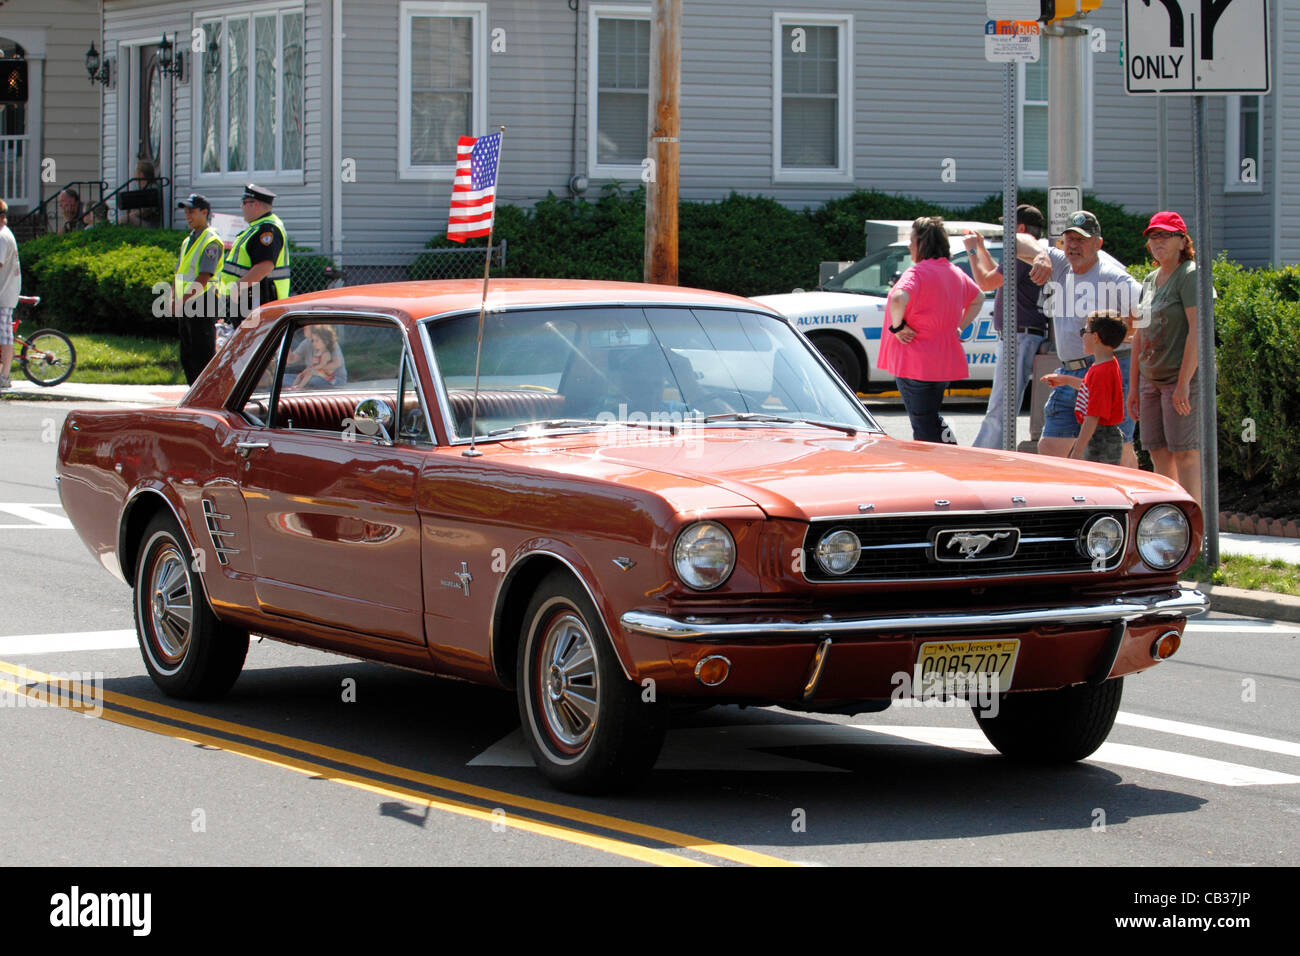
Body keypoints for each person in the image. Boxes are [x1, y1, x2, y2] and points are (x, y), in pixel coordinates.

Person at [1016, 209, 1143, 468]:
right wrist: (1040, 255)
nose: (1074, 245)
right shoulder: (1059, 263)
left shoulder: (1114, 277)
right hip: (1069, 369)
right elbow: (1016, 240)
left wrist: (1114, 336)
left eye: (1082, 240)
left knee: (1117, 447)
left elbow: (1145, 315)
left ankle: (1132, 493)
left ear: (1098, 243)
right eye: (1070, 239)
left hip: (1107, 369)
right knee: (1050, 447)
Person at [878, 216, 984, 443]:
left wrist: (898, 327)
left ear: (922, 244)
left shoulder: (916, 273)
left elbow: (897, 298)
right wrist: (959, 326)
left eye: (912, 241)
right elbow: (979, 298)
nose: (909, 246)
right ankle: (947, 452)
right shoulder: (954, 272)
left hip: (914, 360)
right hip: (942, 360)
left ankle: (941, 458)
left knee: (923, 423)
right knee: (929, 417)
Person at [1129, 210, 1204, 512]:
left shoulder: (1190, 274)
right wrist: (1133, 388)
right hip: (1150, 380)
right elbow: (1138, 335)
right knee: (1158, 453)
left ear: (1182, 241)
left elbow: (1197, 330)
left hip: (1179, 379)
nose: (1157, 242)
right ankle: (1172, 521)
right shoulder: (1150, 279)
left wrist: (1183, 383)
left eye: (1165, 236)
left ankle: (1194, 525)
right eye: (1153, 236)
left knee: (1185, 452)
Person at [964, 203, 1052, 449]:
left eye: (1009, 226)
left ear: (1020, 228)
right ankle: (991, 451)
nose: (1006, 231)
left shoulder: (1023, 256)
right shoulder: (1031, 256)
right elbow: (997, 274)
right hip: (1023, 333)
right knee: (1004, 401)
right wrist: (982, 249)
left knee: (1001, 404)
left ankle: (984, 454)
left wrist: (972, 251)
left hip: (1019, 334)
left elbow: (986, 282)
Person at [1041, 311, 1128, 464]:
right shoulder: (1106, 364)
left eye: (1084, 331)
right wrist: (1067, 380)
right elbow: (1092, 388)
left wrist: (1078, 450)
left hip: (1100, 438)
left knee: (1097, 476)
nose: (1081, 336)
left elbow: (1092, 417)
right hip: (1102, 435)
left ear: (1096, 337)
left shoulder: (1102, 371)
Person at [173, 193, 226, 384]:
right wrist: (173, 298)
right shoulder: (188, 241)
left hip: (203, 302)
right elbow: (179, 272)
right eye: (186, 212)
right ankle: (193, 392)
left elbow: (204, 277)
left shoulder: (211, 240)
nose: (188, 216)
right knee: (187, 354)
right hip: (186, 303)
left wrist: (181, 300)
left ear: (204, 212)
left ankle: (206, 394)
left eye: (192, 211)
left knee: (202, 355)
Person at [220, 184, 290, 324]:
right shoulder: (258, 227)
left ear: (255, 204)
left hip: (258, 298)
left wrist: (237, 287)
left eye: (244, 203)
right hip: (250, 297)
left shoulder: (267, 229)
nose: (241, 207)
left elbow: (265, 266)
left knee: (252, 336)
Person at [0, 200, 18, 391]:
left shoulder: (1, 237)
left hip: (3, 296)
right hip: (5, 292)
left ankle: (4, 376)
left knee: (4, 336)